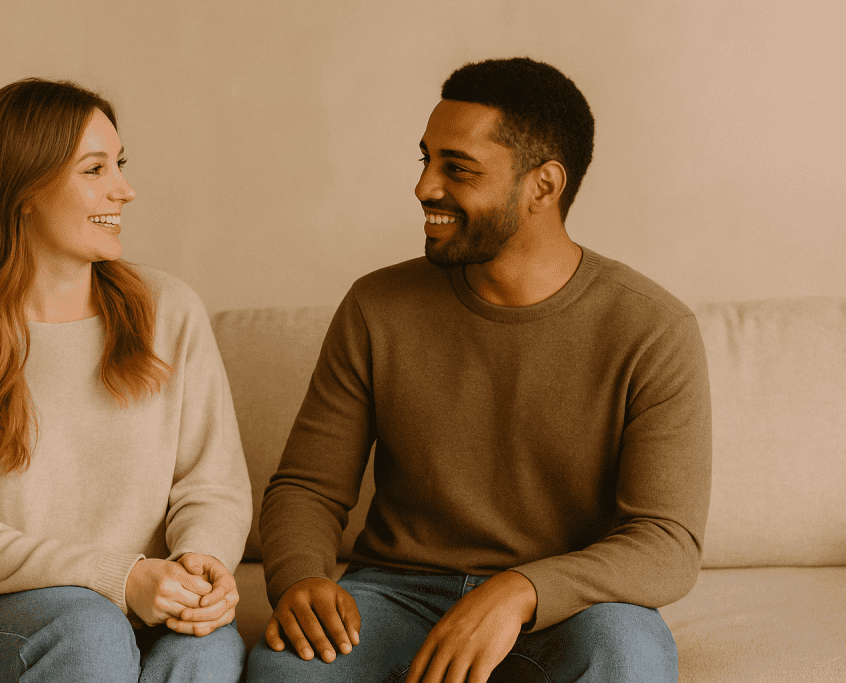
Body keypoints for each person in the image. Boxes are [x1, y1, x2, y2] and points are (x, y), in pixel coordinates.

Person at [245, 57, 711, 683]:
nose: (424, 187)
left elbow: (666, 543)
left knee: (627, 653)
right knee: (285, 671)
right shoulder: (376, 305)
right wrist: (300, 578)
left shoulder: (654, 329)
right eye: (426, 159)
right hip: (397, 594)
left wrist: (520, 590)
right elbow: (308, 487)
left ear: (543, 186)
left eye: (457, 169)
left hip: (566, 610)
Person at [0, 78, 252, 683]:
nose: (125, 190)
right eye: (95, 169)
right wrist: (120, 577)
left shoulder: (171, 310)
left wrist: (199, 564)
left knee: (205, 656)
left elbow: (210, 482)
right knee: (89, 629)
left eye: (120, 164)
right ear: (23, 190)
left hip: (149, 601)